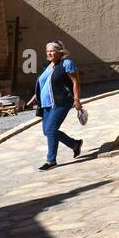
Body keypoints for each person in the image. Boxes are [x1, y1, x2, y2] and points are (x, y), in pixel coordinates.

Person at [29, 41, 84, 170]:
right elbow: (44, 83)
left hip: (62, 101)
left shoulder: (66, 63)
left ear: (60, 52)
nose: (49, 53)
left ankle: (51, 160)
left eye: (52, 51)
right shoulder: (47, 65)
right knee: (47, 131)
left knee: (51, 129)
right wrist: (35, 97)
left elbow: (76, 82)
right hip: (46, 104)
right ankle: (75, 144)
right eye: (48, 51)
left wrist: (76, 100)